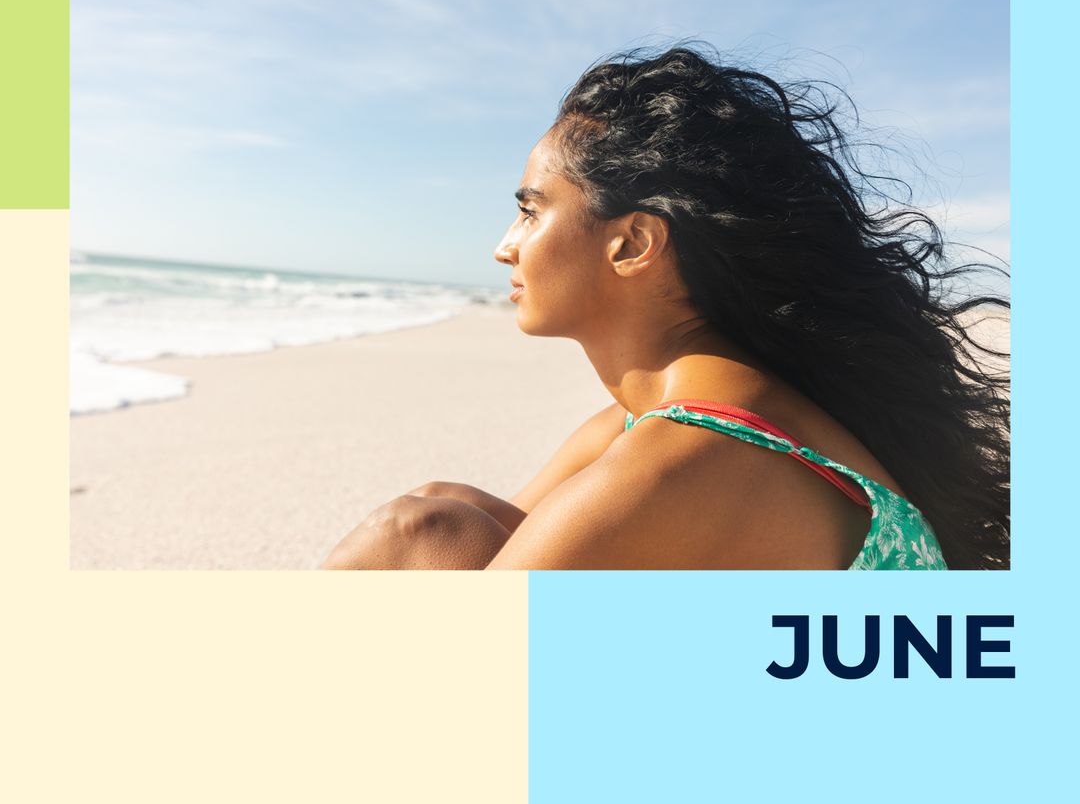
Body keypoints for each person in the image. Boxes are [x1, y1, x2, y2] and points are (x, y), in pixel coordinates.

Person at [322, 47, 1010, 570]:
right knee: (457, 510)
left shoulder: (682, 462)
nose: (505, 247)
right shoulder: (648, 421)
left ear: (632, 242)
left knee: (420, 534)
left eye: (530, 213)